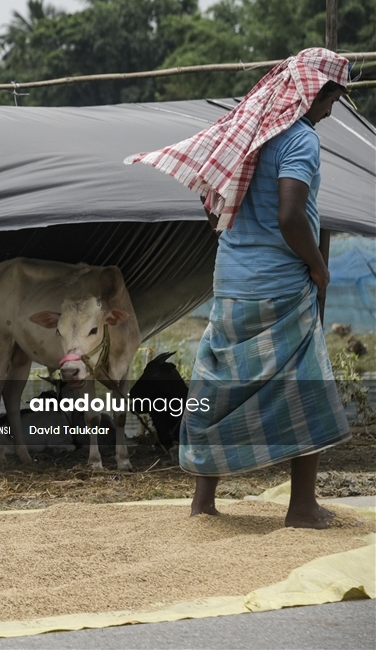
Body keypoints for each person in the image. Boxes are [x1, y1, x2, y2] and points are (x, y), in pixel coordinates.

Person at [126, 48, 353, 529]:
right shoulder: (300, 141)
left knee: (220, 385)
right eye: (333, 96)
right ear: (315, 92)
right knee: (304, 387)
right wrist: (317, 266)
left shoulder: (245, 136)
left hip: (230, 282)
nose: (332, 108)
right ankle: (302, 507)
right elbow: (290, 217)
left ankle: (203, 503)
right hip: (280, 287)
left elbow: (213, 208)